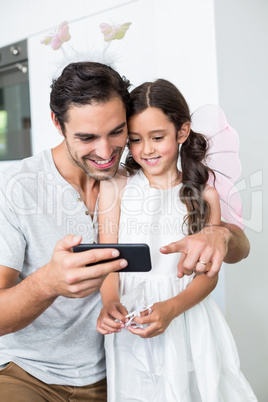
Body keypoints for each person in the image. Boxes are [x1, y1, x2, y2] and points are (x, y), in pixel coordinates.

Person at [0, 61, 249, 401]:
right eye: (87, 137)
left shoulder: (164, 187)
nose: (105, 153)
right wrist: (48, 283)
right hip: (31, 373)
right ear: (57, 123)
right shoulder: (17, 189)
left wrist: (219, 234)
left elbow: (235, 248)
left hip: (121, 360)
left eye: (116, 133)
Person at [96, 79, 257, 401]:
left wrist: (171, 308)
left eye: (158, 137)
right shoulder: (115, 187)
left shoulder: (204, 194)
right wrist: (108, 302)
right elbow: (107, 259)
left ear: (182, 132)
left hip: (186, 317)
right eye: (136, 140)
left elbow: (208, 278)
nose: (147, 150)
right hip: (132, 319)